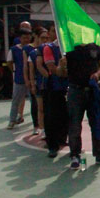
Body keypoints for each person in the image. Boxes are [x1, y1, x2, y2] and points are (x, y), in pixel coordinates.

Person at [64, 41, 100, 169]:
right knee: (74, 124)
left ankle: (99, 154)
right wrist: (62, 65)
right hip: (75, 90)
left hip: (92, 90)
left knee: (97, 123)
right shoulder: (69, 47)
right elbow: (61, 71)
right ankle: (75, 156)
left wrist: (97, 74)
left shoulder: (94, 47)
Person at [42, 27, 69, 157]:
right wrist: (62, 67)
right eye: (54, 30)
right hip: (53, 87)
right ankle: (52, 145)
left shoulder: (70, 47)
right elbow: (53, 70)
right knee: (52, 117)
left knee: (67, 115)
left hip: (69, 87)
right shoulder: (48, 48)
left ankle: (62, 138)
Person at [6, 29, 33, 129]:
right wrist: (15, 71)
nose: (26, 40)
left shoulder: (33, 48)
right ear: (20, 38)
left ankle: (37, 122)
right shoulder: (14, 49)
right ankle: (12, 121)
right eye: (24, 38)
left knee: (34, 102)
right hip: (19, 80)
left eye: (28, 38)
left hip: (32, 80)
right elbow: (9, 62)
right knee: (16, 101)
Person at [27, 27, 48, 136]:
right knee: (40, 108)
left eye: (46, 38)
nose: (44, 40)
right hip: (39, 84)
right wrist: (32, 85)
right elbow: (31, 71)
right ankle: (42, 128)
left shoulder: (51, 50)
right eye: (42, 38)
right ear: (37, 38)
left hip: (50, 84)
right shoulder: (33, 53)